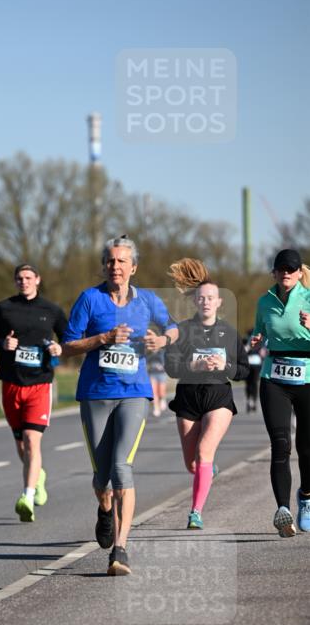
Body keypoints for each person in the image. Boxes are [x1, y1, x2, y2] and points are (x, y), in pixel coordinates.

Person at [62, 235, 178, 575]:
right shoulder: (90, 299)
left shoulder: (147, 302)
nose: (116, 266)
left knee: (121, 466)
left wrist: (162, 339)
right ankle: (104, 509)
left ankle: (121, 549)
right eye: (111, 261)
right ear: (105, 266)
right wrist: (103, 339)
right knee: (102, 477)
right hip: (95, 394)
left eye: (122, 261)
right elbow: (67, 345)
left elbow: (173, 328)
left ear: (133, 267)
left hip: (134, 392)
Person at [0, 263, 68, 522]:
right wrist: (1, 343)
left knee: (31, 440)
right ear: (15, 281)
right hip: (11, 382)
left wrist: (59, 349)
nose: (24, 282)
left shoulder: (51, 310)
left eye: (28, 277)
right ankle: (37, 476)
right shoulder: (3, 308)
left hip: (40, 383)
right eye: (19, 278)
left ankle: (27, 496)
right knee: (20, 445)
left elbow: (70, 338)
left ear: (38, 280)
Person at [164, 259, 250, 529]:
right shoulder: (183, 331)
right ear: (195, 302)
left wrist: (224, 365)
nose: (206, 302)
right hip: (188, 398)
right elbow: (170, 366)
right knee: (193, 463)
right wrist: (194, 365)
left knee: (204, 451)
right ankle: (206, 472)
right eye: (201, 298)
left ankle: (195, 512)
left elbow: (244, 369)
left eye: (211, 298)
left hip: (218, 398)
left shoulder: (229, 333)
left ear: (219, 302)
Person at [250, 248, 310, 536]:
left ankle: (307, 498)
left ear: (299, 273)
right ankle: (283, 510)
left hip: (308, 377)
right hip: (274, 376)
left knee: (307, 448)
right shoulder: (264, 302)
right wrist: (255, 339)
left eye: (291, 269)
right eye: (281, 268)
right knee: (281, 442)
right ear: (274, 272)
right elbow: (259, 332)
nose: (286, 273)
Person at [243, 329, 266, 412]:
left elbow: (263, 353)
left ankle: (253, 401)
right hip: (248, 364)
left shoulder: (260, 342)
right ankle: (249, 400)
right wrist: (248, 347)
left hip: (256, 365)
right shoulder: (245, 341)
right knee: (248, 383)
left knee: (254, 383)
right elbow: (242, 352)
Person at [146, 351, 168, 416]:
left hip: (161, 373)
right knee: (153, 392)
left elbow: (167, 362)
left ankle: (162, 399)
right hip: (152, 373)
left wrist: (162, 366)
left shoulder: (162, 352)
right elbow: (146, 362)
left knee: (161, 391)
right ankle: (156, 408)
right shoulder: (149, 352)